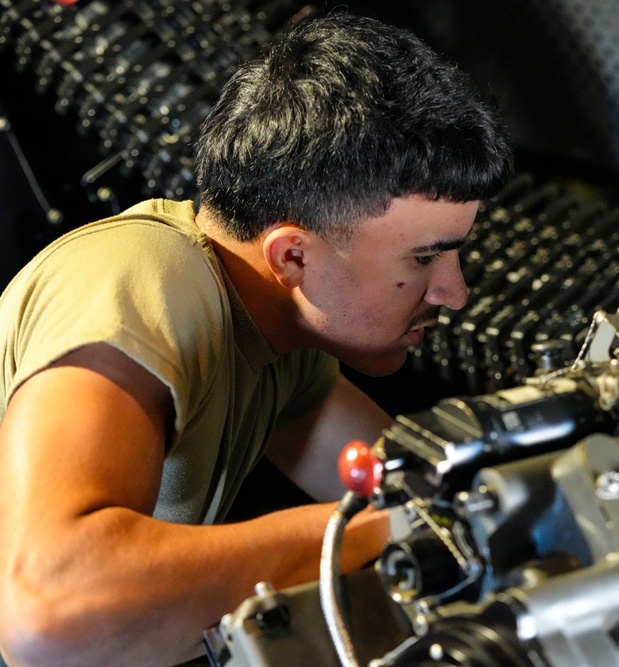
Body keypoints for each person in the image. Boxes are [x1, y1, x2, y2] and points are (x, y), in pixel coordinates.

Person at [0, 10, 513, 667]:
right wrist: (398, 529)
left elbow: (408, 485)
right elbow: (50, 611)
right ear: (293, 257)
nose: (454, 291)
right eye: (424, 259)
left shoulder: (279, 340)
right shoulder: (143, 278)